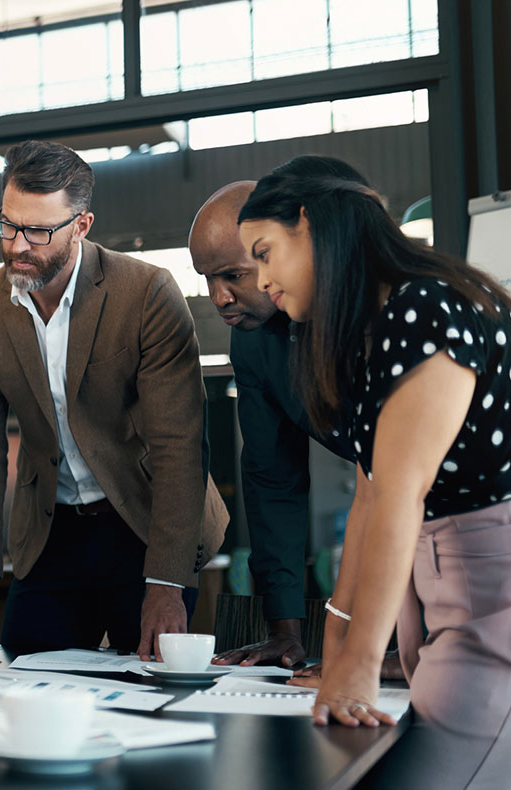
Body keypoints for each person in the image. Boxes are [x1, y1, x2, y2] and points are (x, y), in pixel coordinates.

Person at [239, 161, 511, 787]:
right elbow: (370, 496)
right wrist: (339, 645)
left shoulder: (427, 308)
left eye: (265, 253)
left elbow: (400, 500)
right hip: (447, 597)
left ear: (310, 222)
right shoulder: (377, 328)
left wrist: (354, 666)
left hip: (505, 596)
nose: (262, 279)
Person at [0, 140, 228, 659]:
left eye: (38, 230)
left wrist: (167, 584)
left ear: (82, 225)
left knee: (154, 695)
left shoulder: (146, 293)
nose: (16, 245)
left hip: (145, 523)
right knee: (27, 683)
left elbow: (179, 445)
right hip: (49, 531)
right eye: (7, 224)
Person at [189, 160, 363, 668]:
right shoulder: (251, 344)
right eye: (207, 279)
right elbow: (273, 482)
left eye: (235, 274)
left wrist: (352, 640)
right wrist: (284, 629)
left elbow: (395, 485)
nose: (219, 297)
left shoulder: (368, 315)